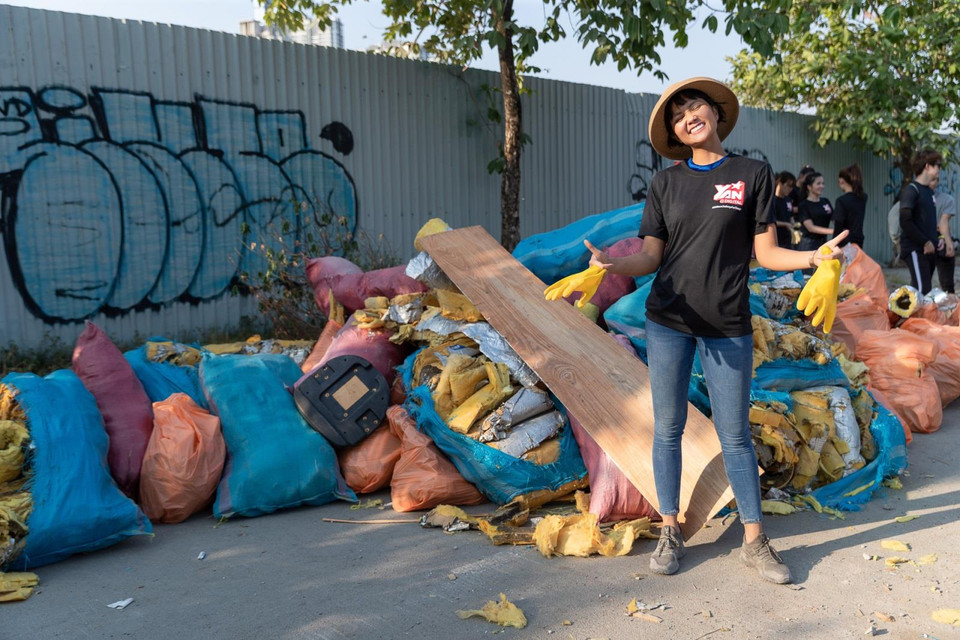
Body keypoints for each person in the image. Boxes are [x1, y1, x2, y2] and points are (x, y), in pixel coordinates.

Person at [583, 77, 846, 585]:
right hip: (669, 323)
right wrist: (609, 265)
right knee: (668, 428)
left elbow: (765, 254)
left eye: (694, 105)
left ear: (715, 114)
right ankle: (669, 529)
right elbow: (650, 257)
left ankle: (754, 541)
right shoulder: (665, 185)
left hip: (727, 324)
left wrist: (816, 256)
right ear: (677, 134)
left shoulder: (751, 174)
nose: (688, 116)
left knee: (734, 436)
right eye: (678, 115)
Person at [899, 149, 942, 295]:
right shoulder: (912, 190)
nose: (939, 169)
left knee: (920, 292)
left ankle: (908, 316)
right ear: (927, 166)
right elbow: (905, 221)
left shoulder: (928, 191)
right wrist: (925, 242)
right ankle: (917, 318)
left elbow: (927, 222)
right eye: (937, 165)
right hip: (915, 249)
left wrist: (938, 239)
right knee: (922, 291)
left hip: (928, 250)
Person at [796, 172, 834, 253]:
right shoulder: (804, 205)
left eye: (823, 183)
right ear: (809, 187)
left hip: (824, 242)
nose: (822, 186)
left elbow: (834, 218)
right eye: (818, 184)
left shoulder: (825, 201)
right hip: (808, 244)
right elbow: (811, 228)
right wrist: (833, 231)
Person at [932, 175, 957, 293]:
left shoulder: (946, 199)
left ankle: (951, 308)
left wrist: (947, 241)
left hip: (938, 241)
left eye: (935, 179)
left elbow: (943, 223)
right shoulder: (913, 198)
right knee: (919, 287)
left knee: (947, 287)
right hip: (923, 243)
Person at [832, 164, 867, 248]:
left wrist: (834, 244)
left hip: (844, 242)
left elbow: (838, 225)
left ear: (842, 181)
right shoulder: (863, 197)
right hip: (858, 240)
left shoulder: (841, 201)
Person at [773, 171, 796, 248]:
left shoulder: (788, 200)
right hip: (776, 239)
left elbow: (791, 217)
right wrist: (785, 224)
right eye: (788, 186)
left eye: (792, 187)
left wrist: (794, 225)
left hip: (788, 239)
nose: (790, 189)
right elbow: (770, 221)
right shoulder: (772, 200)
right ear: (780, 183)